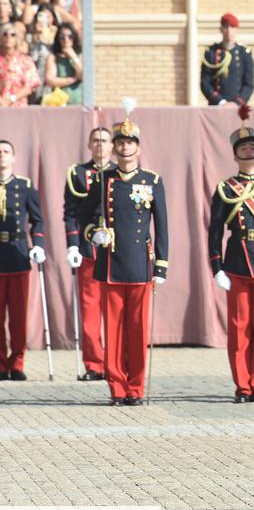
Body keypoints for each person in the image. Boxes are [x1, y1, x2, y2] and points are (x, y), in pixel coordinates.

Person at [73, 114, 168, 406]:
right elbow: (82, 216)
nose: (125, 148)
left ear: (138, 147)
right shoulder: (103, 179)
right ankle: (116, 387)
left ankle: (135, 388)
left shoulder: (152, 181)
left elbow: (162, 225)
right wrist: (93, 234)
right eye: (121, 143)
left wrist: (162, 265)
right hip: (111, 265)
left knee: (137, 332)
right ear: (114, 148)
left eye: (130, 143)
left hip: (140, 264)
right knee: (113, 332)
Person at [208, 124, 254, 403]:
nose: (248, 149)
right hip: (237, 263)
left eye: (252, 146)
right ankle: (243, 385)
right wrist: (216, 267)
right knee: (239, 328)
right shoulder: (226, 188)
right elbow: (215, 230)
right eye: (243, 148)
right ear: (235, 156)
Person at [64, 127, 115, 381]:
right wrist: (73, 244)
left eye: (105, 141)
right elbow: (71, 212)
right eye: (95, 140)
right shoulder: (78, 174)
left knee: (115, 310)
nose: (100, 145)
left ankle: (116, 362)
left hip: (117, 252)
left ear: (112, 145)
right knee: (91, 309)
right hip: (89, 249)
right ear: (88, 145)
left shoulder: (122, 173)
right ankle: (95, 364)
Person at [0, 139, 44, 380]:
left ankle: (17, 362)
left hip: (17, 253)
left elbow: (37, 220)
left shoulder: (25, 186)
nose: (2, 155)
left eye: (6, 152)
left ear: (14, 158)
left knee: (18, 316)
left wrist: (38, 244)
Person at [200, 13, 254, 106]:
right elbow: (205, 83)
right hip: (217, 106)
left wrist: (236, 103)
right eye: (226, 27)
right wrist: (221, 102)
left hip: (238, 107)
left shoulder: (244, 53)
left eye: (232, 27)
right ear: (221, 29)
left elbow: (249, 84)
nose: (229, 31)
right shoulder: (211, 52)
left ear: (237, 30)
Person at [0, 21, 39, 106]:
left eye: (12, 35)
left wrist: (12, 99)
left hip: (18, 106)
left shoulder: (25, 61)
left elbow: (29, 86)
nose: (8, 37)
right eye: (5, 34)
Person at [43, 22, 81, 106]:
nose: (66, 39)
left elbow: (83, 75)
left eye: (70, 36)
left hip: (79, 102)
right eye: (62, 37)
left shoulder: (80, 55)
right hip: (59, 103)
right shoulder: (53, 57)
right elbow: (50, 80)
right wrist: (72, 80)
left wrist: (73, 56)